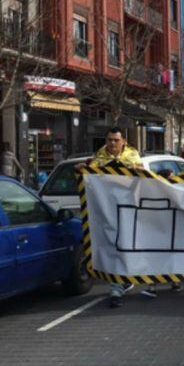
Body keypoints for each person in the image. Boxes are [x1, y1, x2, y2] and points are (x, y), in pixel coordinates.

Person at [75, 127, 143, 308]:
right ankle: (116, 287)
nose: (112, 144)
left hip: (129, 207)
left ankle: (124, 280)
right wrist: (82, 170)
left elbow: (141, 174)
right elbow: (92, 177)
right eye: (109, 140)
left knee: (126, 245)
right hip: (108, 210)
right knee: (114, 244)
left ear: (124, 142)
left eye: (116, 140)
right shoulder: (100, 157)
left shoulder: (132, 156)